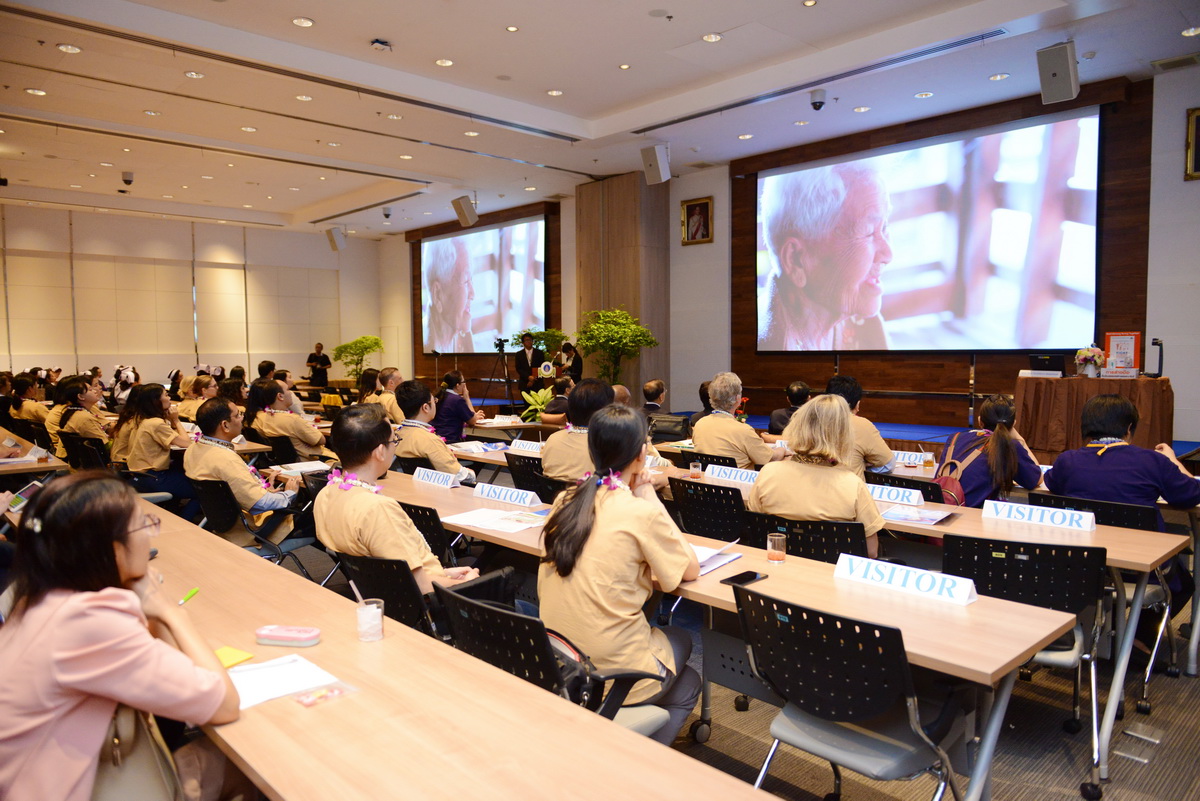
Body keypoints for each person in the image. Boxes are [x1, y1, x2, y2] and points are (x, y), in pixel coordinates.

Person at [0, 472, 240, 801]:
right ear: (113, 550)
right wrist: (170, 611)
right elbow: (223, 706)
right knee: (252, 759)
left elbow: (168, 669)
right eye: (144, 525)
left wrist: (148, 609)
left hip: (40, 777)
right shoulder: (88, 624)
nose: (152, 538)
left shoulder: (35, 598)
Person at [538, 404, 701, 746]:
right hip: (609, 669)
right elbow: (689, 569)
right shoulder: (638, 511)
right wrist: (647, 495)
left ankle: (624, 750)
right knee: (684, 645)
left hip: (560, 660)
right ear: (642, 454)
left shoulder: (565, 499)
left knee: (684, 681)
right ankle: (636, 763)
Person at [315, 404, 479, 593]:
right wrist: (468, 583)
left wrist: (444, 574)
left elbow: (387, 568)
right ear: (379, 452)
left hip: (384, 593)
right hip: (429, 606)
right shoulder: (378, 509)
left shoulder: (327, 493)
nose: (395, 446)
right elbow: (421, 586)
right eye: (394, 441)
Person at [759, 163, 893, 351]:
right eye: (869, 232)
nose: (888, 255)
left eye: (884, 228)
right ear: (796, 259)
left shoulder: (857, 320)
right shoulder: (771, 350)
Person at [748, 394, 884, 558]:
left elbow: (755, 526)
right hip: (831, 577)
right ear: (842, 435)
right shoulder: (852, 484)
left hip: (781, 570)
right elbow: (871, 552)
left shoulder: (768, 473)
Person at [1045, 395, 1200, 530]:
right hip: (1143, 555)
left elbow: (1052, 484)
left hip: (1083, 554)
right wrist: (1173, 461)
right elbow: (1190, 496)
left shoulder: (1067, 461)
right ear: (1129, 428)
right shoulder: (1153, 460)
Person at [185, 398, 300, 546]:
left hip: (223, 526)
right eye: (238, 414)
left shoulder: (192, 449)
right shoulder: (226, 459)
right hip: (249, 532)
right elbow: (260, 503)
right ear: (225, 425)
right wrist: (290, 494)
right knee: (311, 516)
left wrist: (267, 486)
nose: (242, 418)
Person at [935, 395, 1042, 507]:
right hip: (972, 517)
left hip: (939, 509)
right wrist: (1020, 439)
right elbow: (1036, 480)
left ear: (980, 421)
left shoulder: (955, 437)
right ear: (1013, 423)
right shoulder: (1011, 445)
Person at [122, 383, 200, 517]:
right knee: (203, 491)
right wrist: (176, 420)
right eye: (165, 395)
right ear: (156, 401)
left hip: (139, 475)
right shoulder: (155, 423)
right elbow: (186, 443)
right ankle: (184, 522)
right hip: (153, 477)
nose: (169, 398)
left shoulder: (140, 419)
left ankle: (172, 513)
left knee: (180, 470)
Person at [692, 372, 786, 470]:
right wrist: (782, 450)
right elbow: (771, 459)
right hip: (738, 484)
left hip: (707, 482)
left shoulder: (700, 424)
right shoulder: (743, 430)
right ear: (738, 399)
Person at [394, 380, 476, 485]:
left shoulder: (397, 435)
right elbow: (458, 475)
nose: (435, 404)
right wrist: (471, 474)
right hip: (440, 494)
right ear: (426, 407)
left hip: (414, 489)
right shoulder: (430, 441)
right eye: (434, 401)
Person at [541, 379, 613, 482]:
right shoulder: (607, 445)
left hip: (554, 497)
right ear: (604, 411)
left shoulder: (553, 440)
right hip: (593, 497)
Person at [246, 378, 335, 460]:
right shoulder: (293, 420)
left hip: (286, 463)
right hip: (312, 461)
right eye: (288, 390)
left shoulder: (262, 417)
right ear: (280, 396)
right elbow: (321, 440)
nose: (291, 393)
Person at [824, 375, 894, 478]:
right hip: (849, 490)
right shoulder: (862, 425)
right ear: (857, 404)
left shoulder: (807, 422)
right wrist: (862, 467)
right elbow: (888, 465)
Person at [423, 238, 475, 353]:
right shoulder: (426, 346)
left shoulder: (464, 334)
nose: (472, 294)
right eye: (466, 281)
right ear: (437, 295)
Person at [58, 376, 111, 454]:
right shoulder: (85, 417)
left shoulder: (73, 412)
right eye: (90, 390)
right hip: (94, 463)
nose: (95, 391)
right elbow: (104, 445)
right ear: (80, 396)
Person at [432, 370, 485, 443]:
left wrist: (474, 416)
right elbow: (472, 421)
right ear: (457, 385)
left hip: (435, 438)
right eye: (464, 382)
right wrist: (467, 397)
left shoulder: (439, 396)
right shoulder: (457, 400)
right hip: (450, 440)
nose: (465, 384)